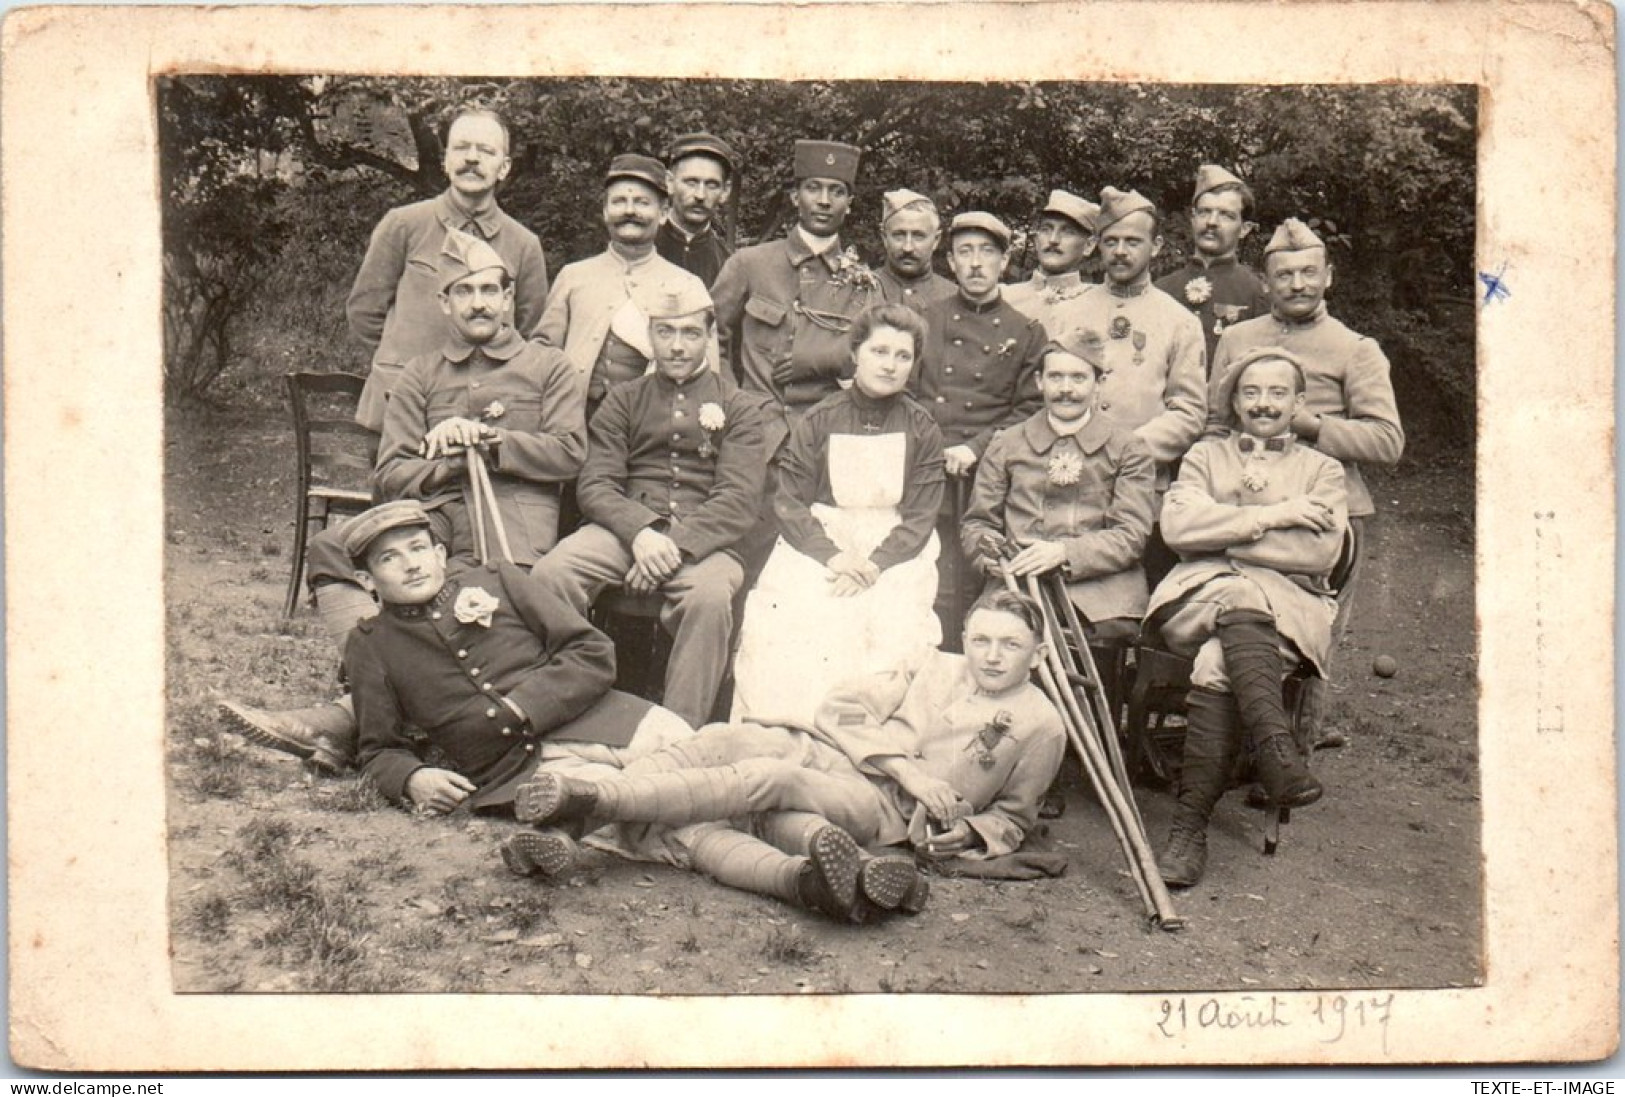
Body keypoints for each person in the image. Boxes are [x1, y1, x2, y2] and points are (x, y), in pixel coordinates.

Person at [220, 231, 584, 773]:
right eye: (464, 292)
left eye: (490, 289)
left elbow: (568, 453)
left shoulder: (548, 367)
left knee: (457, 606)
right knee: (331, 548)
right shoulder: (421, 373)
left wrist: (485, 440)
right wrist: (453, 460)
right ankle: (370, 701)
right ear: (444, 303)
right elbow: (390, 474)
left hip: (511, 523)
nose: (479, 302)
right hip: (431, 519)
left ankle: (341, 724)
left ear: (510, 297)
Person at [511, 589, 1065, 911]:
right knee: (720, 738)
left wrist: (969, 831)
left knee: (768, 779)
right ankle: (574, 821)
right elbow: (840, 709)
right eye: (981, 641)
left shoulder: (1042, 726)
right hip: (838, 752)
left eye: (1011, 645)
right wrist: (906, 768)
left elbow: (1014, 819)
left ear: (1036, 655)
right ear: (965, 639)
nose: (992, 657)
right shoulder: (934, 664)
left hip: (879, 804)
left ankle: (594, 802)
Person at [334, 499, 696, 878]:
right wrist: (412, 778)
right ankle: (753, 861)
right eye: (388, 558)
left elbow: (592, 651)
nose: (411, 564)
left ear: (440, 554)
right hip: (519, 774)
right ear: (366, 581)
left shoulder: (498, 580)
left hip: (604, 719)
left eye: (418, 548)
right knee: (653, 825)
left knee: (701, 756)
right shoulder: (372, 645)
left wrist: (524, 704)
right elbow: (379, 749)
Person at [1146, 349, 1348, 888]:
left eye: (1277, 393)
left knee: (1218, 658)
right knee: (1235, 594)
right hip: (1196, 596)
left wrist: (1227, 538)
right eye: (1251, 392)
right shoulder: (1203, 457)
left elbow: (1320, 554)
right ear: (1234, 400)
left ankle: (1187, 831)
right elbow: (1179, 531)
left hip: (1284, 609)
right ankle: (1278, 754)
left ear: (1298, 402)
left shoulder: (1323, 470)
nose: (1263, 403)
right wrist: (1276, 517)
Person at [531, 281, 769, 728]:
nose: (677, 346)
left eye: (690, 334)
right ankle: (560, 713)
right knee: (553, 573)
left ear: (709, 337)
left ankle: (679, 733)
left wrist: (672, 546)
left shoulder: (738, 407)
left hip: (705, 543)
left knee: (710, 597)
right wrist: (641, 533)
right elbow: (597, 483)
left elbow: (738, 500)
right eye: (665, 333)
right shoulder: (623, 400)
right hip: (623, 533)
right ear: (651, 336)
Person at [1205, 217, 1404, 746]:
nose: (1298, 284)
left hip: (1328, 515)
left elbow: (1387, 441)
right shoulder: (1239, 339)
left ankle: (1293, 754)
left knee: (1312, 633)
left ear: (1329, 276)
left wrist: (1311, 425)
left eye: (1309, 272)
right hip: (1243, 505)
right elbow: (1214, 424)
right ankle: (1231, 745)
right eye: (1285, 274)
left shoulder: (1355, 348)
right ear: (1265, 282)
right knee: (1237, 621)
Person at [729, 304, 945, 731]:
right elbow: (790, 501)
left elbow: (920, 516)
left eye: (903, 356)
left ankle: (862, 745)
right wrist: (834, 557)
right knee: (795, 620)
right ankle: (784, 734)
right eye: (879, 351)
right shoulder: (820, 418)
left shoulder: (923, 427)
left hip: (894, 551)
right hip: (820, 544)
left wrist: (874, 564)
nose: (890, 364)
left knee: (891, 628)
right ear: (856, 353)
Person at [346, 107, 549, 433]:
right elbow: (364, 312)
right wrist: (404, 366)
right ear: (445, 161)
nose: (472, 158)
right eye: (461, 147)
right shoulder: (403, 225)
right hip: (401, 407)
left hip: (485, 417)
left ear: (504, 167)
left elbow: (531, 331)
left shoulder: (524, 244)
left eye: (486, 151)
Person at [961, 326, 1156, 648]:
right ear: (1039, 382)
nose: (1066, 389)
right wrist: (995, 556)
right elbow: (978, 523)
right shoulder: (1006, 444)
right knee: (1000, 634)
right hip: (1018, 586)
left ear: (1099, 384)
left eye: (1079, 378)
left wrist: (1064, 553)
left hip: (1101, 596)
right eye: (1056, 377)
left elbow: (1130, 536)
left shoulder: (1129, 448)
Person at [915, 211, 1048, 643]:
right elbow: (905, 394)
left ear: (1005, 261)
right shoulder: (923, 320)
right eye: (964, 252)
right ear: (949, 262)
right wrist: (934, 447)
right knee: (918, 582)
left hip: (986, 476)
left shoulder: (1026, 331)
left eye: (987, 252)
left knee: (967, 587)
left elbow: (1029, 408)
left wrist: (973, 448)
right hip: (922, 467)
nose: (975, 263)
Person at [709, 139, 883, 446]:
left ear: (850, 203)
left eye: (837, 191)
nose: (824, 201)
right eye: (813, 188)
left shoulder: (864, 284)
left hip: (831, 439)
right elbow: (709, 338)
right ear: (794, 196)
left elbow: (879, 358)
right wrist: (733, 402)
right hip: (758, 437)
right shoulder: (750, 263)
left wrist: (825, 358)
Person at [532, 154, 714, 414]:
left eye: (642, 202)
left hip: (653, 431)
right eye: (619, 202)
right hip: (577, 425)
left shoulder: (687, 285)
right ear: (605, 212)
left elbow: (707, 375)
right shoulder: (573, 277)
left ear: (663, 213)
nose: (630, 211)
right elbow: (543, 353)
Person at [1057, 187, 1207, 489]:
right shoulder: (1067, 312)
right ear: (1098, 245)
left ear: (1156, 246)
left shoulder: (1180, 322)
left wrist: (1130, 452)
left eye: (1133, 241)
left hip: (1140, 482)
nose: (1120, 251)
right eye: (1111, 241)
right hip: (1068, 475)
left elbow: (1188, 412)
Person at [1154, 165, 1271, 366]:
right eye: (1205, 212)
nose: (1212, 222)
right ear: (1192, 219)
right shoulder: (1162, 290)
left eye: (1226, 215)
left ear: (1244, 229)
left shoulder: (1256, 293)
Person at [1004, 189, 1101, 334]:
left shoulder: (1099, 306)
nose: (1053, 240)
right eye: (1046, 229)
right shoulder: (1005, 299)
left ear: (1089, 245)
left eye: (1068, 232)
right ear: (1036, 240)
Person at [655, 132, 736, 286]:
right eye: (691, 182)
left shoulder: (728, 265)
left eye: (711, 185)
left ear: (725, 191)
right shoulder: (640, 248)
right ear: (670, 182)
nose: (700, 195)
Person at [874, 188, 955, 313]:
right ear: (884, 237)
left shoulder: (954, 298)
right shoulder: (861, 291)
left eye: (918, 236)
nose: (908, 247)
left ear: (936, 240)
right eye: (899, 235)